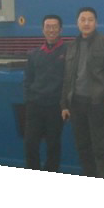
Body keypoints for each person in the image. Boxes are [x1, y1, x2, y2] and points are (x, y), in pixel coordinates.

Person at [61, 7, 104, 178]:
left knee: (101, 149)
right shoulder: (72, 46)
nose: (86, 23)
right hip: (76, 103)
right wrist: (64, 104)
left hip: (96, 103)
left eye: (90, 20)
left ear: (96, 22)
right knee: (83, 148)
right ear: (77, 23)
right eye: (83, 19)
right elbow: (68, 76)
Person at [23, 14, 67, 172]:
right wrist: (30, 99)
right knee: (30, 143)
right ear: (43, 30)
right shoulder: (34, 54)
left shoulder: (69, 52)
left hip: (56, 107)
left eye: (54, 27)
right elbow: (28, 79)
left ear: (60, 30)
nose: (51, 30)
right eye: (48, 27)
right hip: (35, 106)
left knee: (53, 145)